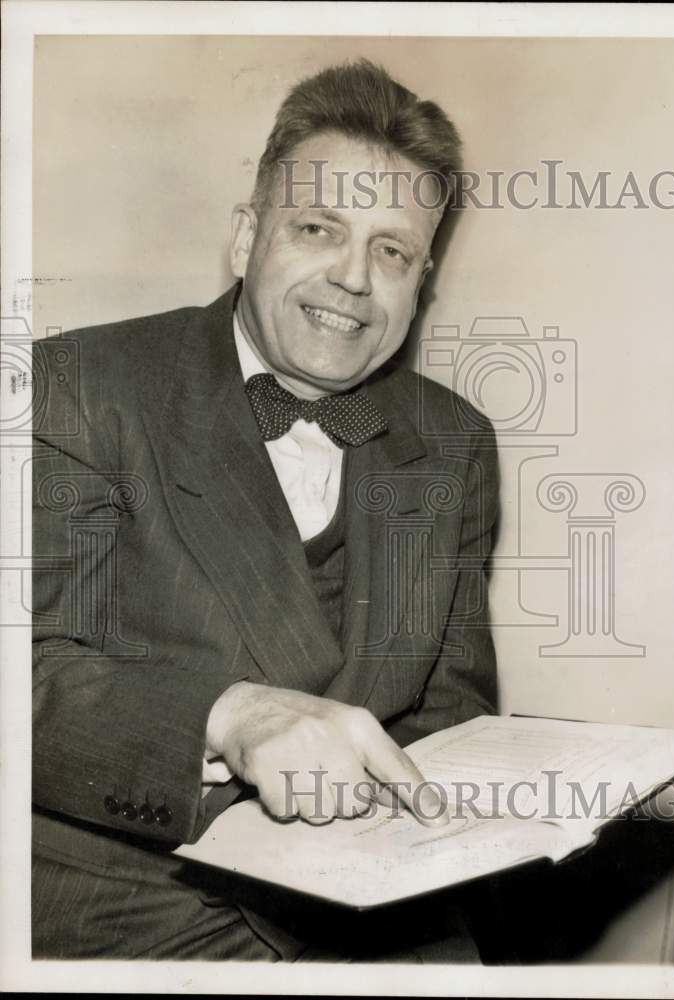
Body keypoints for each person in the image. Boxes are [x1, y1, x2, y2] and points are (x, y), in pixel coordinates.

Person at [31, 59, 499, 961]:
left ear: (421, 279)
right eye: (319, 227)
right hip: (132, 906)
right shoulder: (79, 388)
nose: (355, 278)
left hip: (372, 900)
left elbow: (453, 719)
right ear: (247, 237)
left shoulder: (456, 442)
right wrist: (230, 715)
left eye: (392, 250)